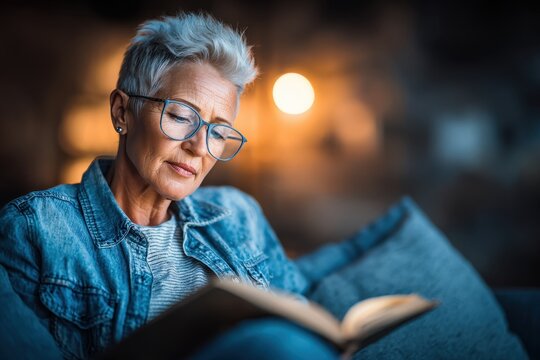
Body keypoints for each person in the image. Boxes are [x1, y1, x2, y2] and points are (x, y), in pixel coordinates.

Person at [0, 12, 342, 360]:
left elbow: (303, 316)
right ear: (122, 111)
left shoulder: (238, 215)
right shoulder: (36, 227)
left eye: (218, 132)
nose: (198, 147)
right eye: (180, 117)